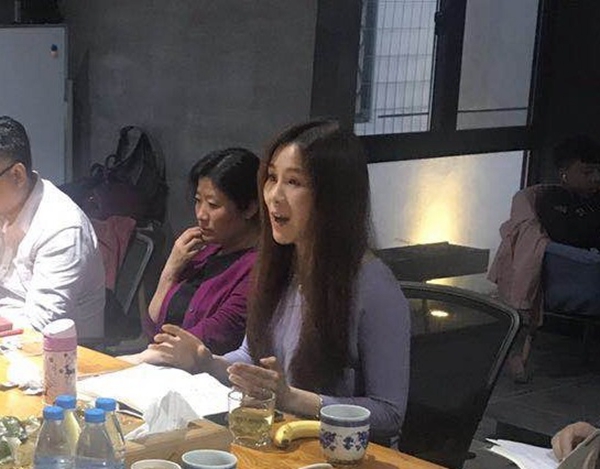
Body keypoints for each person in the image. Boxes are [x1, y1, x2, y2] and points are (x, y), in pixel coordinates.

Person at [140, 120, 411, 439]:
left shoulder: (374, 285)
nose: (274, 196)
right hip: (276, 438)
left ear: (333, 195)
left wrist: (292, 398)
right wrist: (205, 360)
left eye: (294, 182)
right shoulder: (279, 267)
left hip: (337, 451)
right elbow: (250, 356)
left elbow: (390, 413)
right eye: (271, 178)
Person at [140, 147, 259, 355]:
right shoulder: (203, 251)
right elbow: (151, 327)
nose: (201, 215)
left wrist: (144, 356)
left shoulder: (257, 267)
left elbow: (216, 335)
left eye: (213, 204)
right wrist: (170, 271)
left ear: (249, 208)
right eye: (198, 201)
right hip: (162, 362)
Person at [0, 116, 105, 339]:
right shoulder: (6, 208)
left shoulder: (62, 227)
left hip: (64, 351)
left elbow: (40, 326)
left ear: (17, 175)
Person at [536, 135, 600, 249]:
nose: (597, 178)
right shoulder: (554, 199)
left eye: (599, 171)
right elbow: (565, 239)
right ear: (564, 174)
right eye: (587, 172)